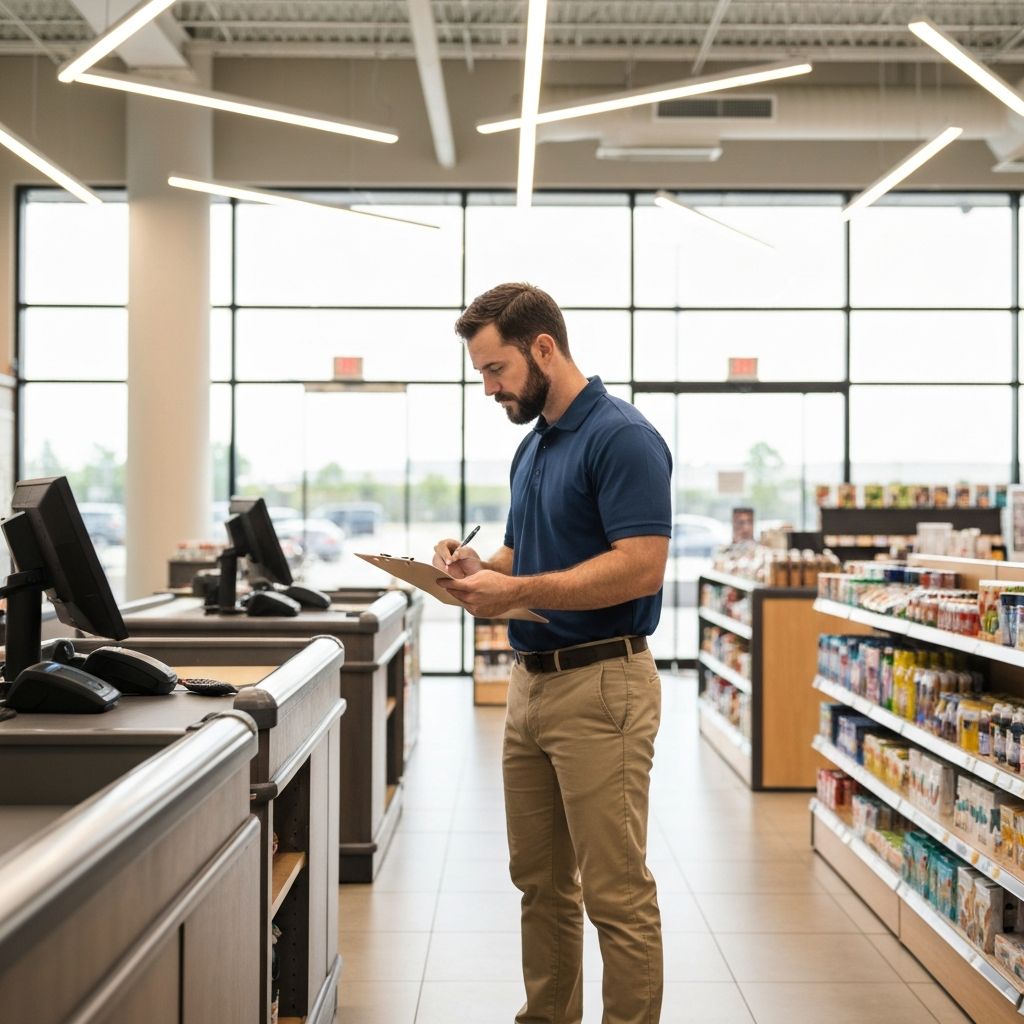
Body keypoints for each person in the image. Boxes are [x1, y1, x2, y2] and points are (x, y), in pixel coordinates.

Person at [432, 282, 672, 1024]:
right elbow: (523, 550)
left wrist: (519, 588)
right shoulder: (533, 446)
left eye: (496, 369)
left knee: (615, 893)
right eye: (480, 374)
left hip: (603, 685)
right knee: (539, 882)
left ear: (544, 348)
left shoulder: (621, 437)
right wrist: (478, 570)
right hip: (531, 689)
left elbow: (641, 565)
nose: (489, 388)